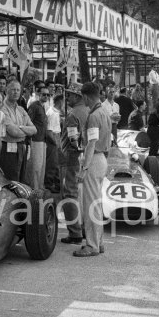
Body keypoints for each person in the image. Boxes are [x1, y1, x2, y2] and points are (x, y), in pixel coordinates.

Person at [74, 82, 111, 257]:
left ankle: (92, 245)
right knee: (97, 203)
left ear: (86, 97)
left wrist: (84, 168)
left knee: (90, 205)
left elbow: (91, 143)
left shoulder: (94, 115)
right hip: (102, 157)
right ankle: (99, 242)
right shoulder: (104, 111)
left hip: (94, 159)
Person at [60, 85, 90, 245]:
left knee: (69, 193)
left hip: (72, 158)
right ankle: (85, 229)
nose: (67, 98)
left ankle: (75, 232)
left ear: (78, 96)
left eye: (70, 95)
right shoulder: (89, 112)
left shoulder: (72, 115)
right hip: (87, 157)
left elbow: (73, 140)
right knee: (83, 194)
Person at [0, 80, 36, 181]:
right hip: (6, 148)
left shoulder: (21, 109)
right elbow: (13, 132)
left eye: (18, 90)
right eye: (13, 89)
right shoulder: (2, 108)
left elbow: (34, 129)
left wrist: (19, 127)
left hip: (21, 147)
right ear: (6, 90)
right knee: (10, 180)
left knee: (21, 179)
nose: (16, 92)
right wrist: (24, 130)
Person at [26, 86, 48, 189]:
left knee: (42, 166)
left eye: (48, 95)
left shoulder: (42, 106)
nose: (46, 96)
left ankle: (39, 187)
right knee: (36, 166)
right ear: (38, 95)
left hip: (42, 139)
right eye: (44, 94)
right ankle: (35, 189)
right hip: (35, 139)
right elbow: (28, 122)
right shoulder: (34, 106)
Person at [44, 94, 63, 193]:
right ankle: (49, 184)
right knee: (52, 164)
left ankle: (57, 184)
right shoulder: (53, 113)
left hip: (56, 138)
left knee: (56, 164)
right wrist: (55, 143)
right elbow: (49, 131)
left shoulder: (55, 112)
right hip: (52, 141)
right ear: (61, 102)